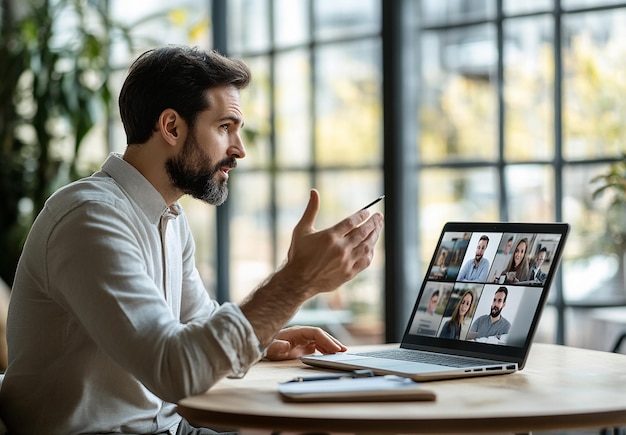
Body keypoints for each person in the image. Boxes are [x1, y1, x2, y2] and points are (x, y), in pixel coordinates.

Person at [0, 46, 384, 435]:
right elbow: (176, 370)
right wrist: (297, 280)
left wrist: (264, 340)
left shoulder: (169, 217)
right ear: (171, 126)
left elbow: (197, 323)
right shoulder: (90, 219)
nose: (239, 149)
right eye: (224, 127)